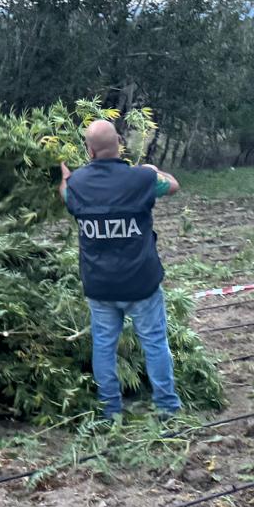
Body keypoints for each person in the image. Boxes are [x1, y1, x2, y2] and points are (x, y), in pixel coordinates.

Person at [60, 119, 182, 420]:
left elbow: (66, 194)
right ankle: (167, 407)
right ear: (119, 144)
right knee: (154, 344)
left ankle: (109, 410)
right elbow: (174, 185)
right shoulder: (139, 179)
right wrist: (155, 170)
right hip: (141, 284)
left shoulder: (77, 185)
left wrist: (64, 176)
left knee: (103, 347)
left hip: (100, 286)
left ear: (89, 150)